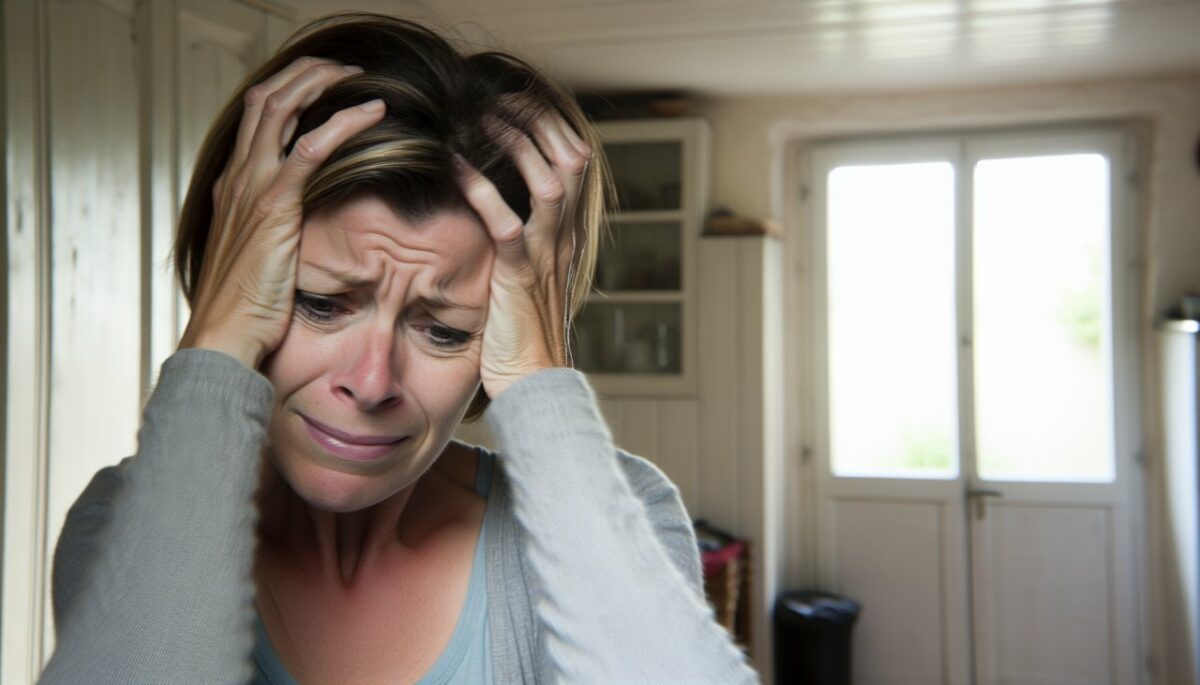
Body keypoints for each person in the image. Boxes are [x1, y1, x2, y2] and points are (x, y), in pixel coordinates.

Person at [41, 12, 757, 684]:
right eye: (321, 304)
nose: (372, 380)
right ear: (232, 280)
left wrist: (542, 380)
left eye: (443, 329)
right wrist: (215, 352)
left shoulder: (620, 517)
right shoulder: (124, 526)